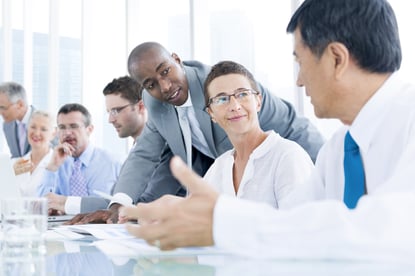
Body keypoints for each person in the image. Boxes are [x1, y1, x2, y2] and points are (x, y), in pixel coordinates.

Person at [120, 0, 415, 260]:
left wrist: (223, 223)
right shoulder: (339, 149)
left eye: (301, 62)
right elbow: (290, 224)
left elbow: (387, 232)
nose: (299, 81)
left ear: (336, 59)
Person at [70, 41, 325, 224]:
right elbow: (143, 156)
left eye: (166, 71)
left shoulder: (223, 89)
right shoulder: (157, 105)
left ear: (177, 59)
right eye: (151, 84)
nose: (165, 86)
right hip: (243, 172)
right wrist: (121, 203)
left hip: (297, 148)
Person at [203, 60, 313, 208]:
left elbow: (303, 225)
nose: (235, 106)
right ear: (211, 114)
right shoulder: (217, 170)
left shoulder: (287, 156)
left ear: (258, 102)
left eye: (242, 94)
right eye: (222, 99)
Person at [47, 77, 148, 217]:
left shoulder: (117, 161)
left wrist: (65, 203)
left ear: (141, 107)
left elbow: (126, 204)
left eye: (116, 111)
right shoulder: (136, 153)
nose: (110, 120)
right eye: (109, 112)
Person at [38, 103, 121, 215]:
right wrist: (53, 166)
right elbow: (42, 204)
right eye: (62, 127)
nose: (67, 133)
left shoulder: (110, 162)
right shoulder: (58, 162)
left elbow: (112, 205)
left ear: (89, 129)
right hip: (63, 229)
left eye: (74, 126)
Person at [12, 110, 55, 196]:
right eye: (33, 127)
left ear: (53, 134)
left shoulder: (57, 165)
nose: (36, 133)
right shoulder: (17, 163)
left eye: (43, 129)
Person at [0, 82, 35, 158]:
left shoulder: (44, 121)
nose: (0, 113)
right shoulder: (7, 125)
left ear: (20, 105)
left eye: (3, 108)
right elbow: (16, 157)